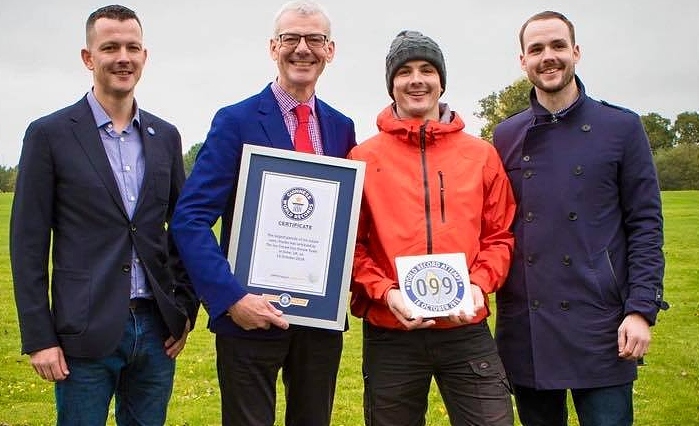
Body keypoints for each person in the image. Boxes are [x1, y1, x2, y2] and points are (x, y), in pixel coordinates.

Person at [9, 4, 199, 425]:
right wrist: (40, 338)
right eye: (110, 47)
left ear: (145, 57)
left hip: (156, 332)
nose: (123, 57)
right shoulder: (49, 135)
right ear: (88, 57)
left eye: (133, 47)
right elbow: (27, 245)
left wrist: (184, 310)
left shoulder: (165, 136)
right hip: (83, 333)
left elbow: (183, 231)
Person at [169, 1, 355, 425]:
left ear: (330, 50)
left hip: (320, 321)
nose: (302, 49)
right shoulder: (235, 120)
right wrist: (232, 299)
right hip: (249, 316)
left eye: (314, 40)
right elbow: (191, 218)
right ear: (274, 47)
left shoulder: (341, 127)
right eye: (291, 39)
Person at [493, 11, 667, 426]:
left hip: (602, 326)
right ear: (523, 61)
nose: (547, 57)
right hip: (528, 328)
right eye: (536, 49)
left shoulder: (621, 127)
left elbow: (645, 225)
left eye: (557, 46)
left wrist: (641, 310)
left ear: (576, 52)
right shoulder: (505, 136)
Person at [348, 30, 516, 426]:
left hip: (465, 328)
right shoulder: (363, 157)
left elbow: (499, 235)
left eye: (426, 69)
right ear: (392, 85)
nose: (416, 79)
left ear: (442, 80)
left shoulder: (481, 155)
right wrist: (386, 293)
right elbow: (351, 247)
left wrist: (478, 285)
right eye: (404, 72)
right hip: (392, 331)